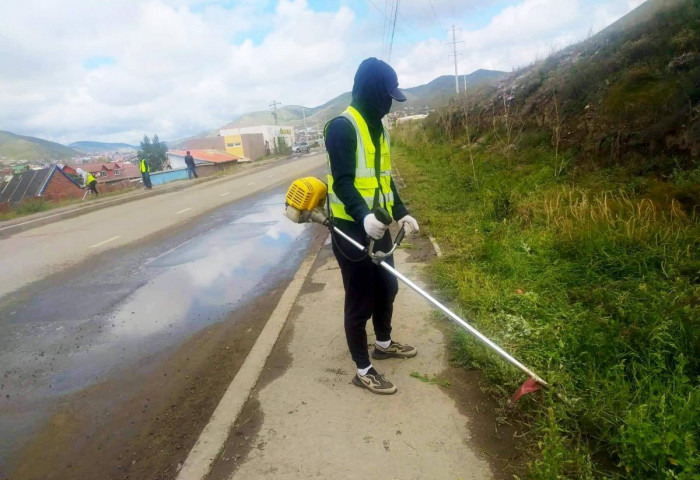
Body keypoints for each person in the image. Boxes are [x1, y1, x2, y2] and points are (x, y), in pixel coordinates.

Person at [325, 57, 420, 395]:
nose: (390, 103)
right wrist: (363, 215)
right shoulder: (342, 127)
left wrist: (402, 212)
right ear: (372, 91)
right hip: (350, 229)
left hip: (377, 225)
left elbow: (384, 181)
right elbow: (343, 182)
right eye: (387, 95)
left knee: (388, 287)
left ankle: (383, 342)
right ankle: (363, 369)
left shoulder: (379, 129)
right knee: (360, 298)